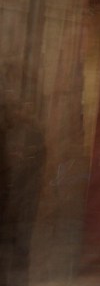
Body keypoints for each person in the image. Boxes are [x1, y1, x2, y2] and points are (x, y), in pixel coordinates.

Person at [0, 102, 46, 286]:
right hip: (13, 208)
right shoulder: (7, 136)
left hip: (19, 208)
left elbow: (33, 175)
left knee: (19, 252)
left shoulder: (32, 136)